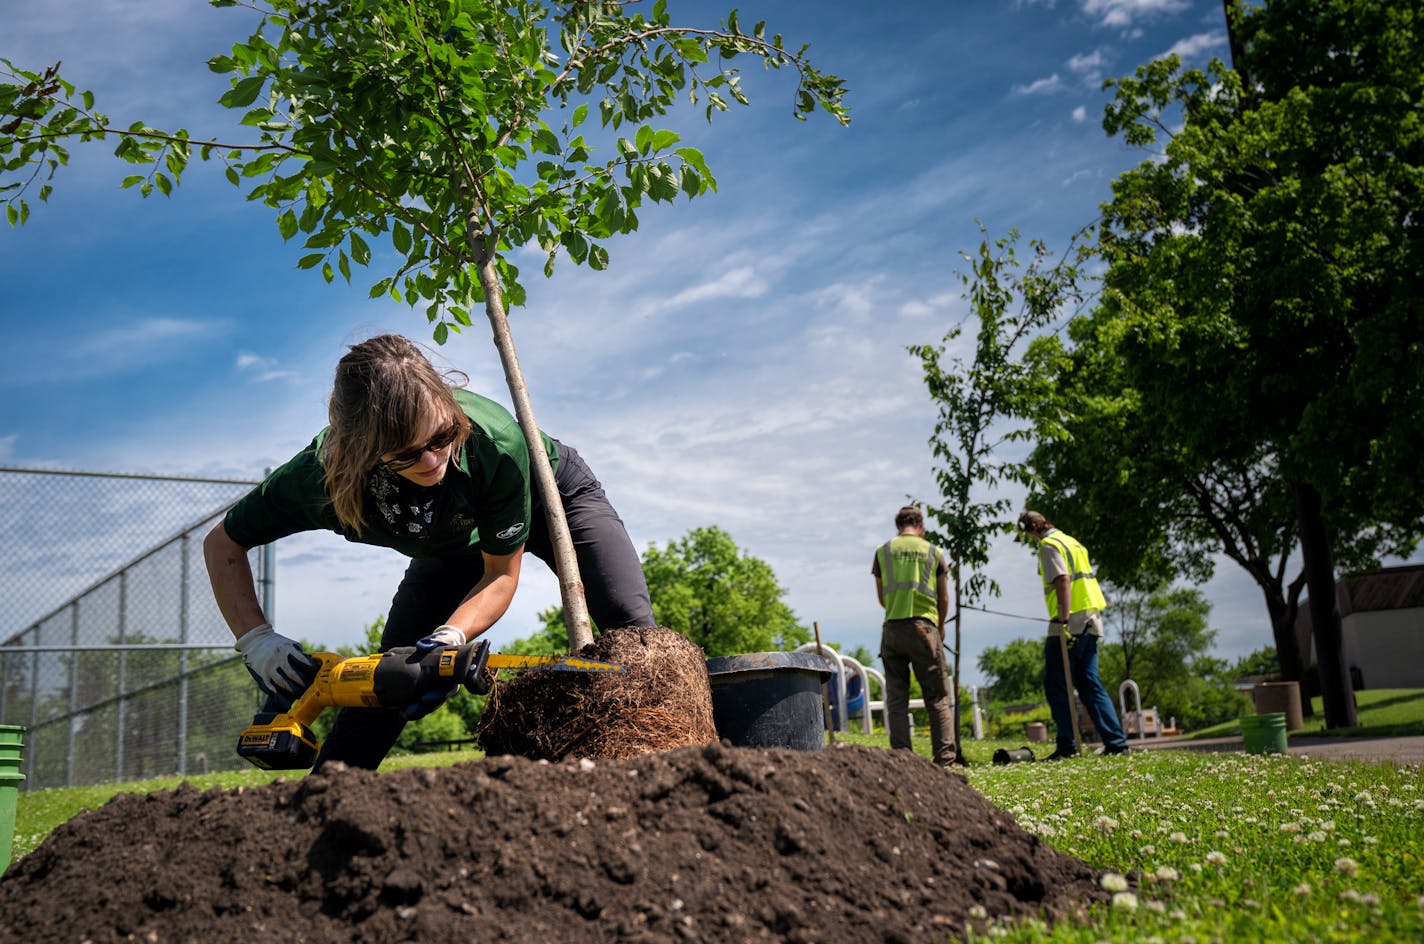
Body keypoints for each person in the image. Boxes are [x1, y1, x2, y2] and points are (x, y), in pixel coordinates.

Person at [204, 333, 654, 770]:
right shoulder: (317, 480)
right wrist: (256, 640)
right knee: (390, 681)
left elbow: (500, 573)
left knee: (634, 630)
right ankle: (325, 801)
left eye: (441, 437)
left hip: (550, 492)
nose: (433, 461)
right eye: (405, 455)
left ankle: (673, 761)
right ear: (360, 452)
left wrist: (451, 636)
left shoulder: (491, 442)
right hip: (449, 540)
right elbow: (223, 543)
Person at [1016, 510, 1129, 759]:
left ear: (1033, 527)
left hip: (1071, 621)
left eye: (1027, 533)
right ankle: (1116, 743)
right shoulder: (1072, 541)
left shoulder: (1048, 545)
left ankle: (1068, 746)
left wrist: (1062, 618)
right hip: (1091, 617)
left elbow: (1063, 580)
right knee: (1089, 683)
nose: (1030, 538)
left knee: (1056, 684)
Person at [871, 505, 958, 767]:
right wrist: (939, 625)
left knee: (897, 699)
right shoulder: (934, 552)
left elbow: (881, 597)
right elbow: (943, 596)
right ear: (920, 526)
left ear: (898, 525)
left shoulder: (882, 552)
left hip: (892, 629)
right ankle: (944, 759)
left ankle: (903, 759)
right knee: (937, 698)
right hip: (924, 628)